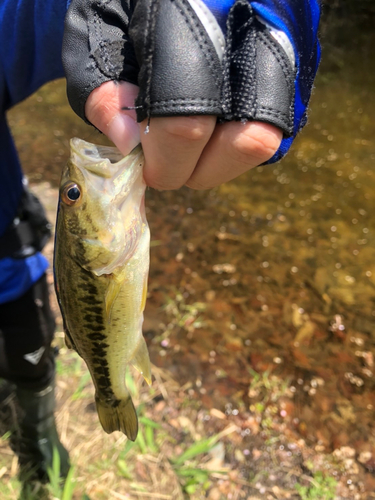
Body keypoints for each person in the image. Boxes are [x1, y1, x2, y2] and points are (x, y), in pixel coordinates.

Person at [0, 0, 321, 490]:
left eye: (73, 197)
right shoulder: (100, 247)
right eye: (73, 194)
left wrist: (123, 14)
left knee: (27, 337)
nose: (77, 186)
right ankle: (74, 407)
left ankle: (38, 431)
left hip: (6, 250)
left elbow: (25, 19)